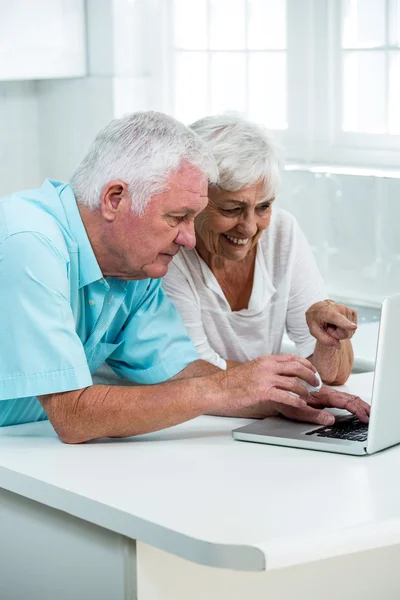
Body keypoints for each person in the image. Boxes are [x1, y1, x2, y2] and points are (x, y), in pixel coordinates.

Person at [0, 111, 369, 444]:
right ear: (115, 199)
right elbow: (74, 415)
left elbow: (181, 372)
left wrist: (283, 395)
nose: (189, 238)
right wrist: (229, 387)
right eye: (176, 217)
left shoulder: (135, 268)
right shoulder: (30, 243)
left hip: (27, 444)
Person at [163, 113, 367, 426]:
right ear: (195, 200)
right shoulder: (170, 252)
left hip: (258, 420)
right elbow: (194, 373)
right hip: (193, 424)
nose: (248, 227)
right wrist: (297, 386)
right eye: (232, 209)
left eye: (264, 207)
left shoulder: (282, 232)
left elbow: (331, 375)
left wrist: (327, 341)